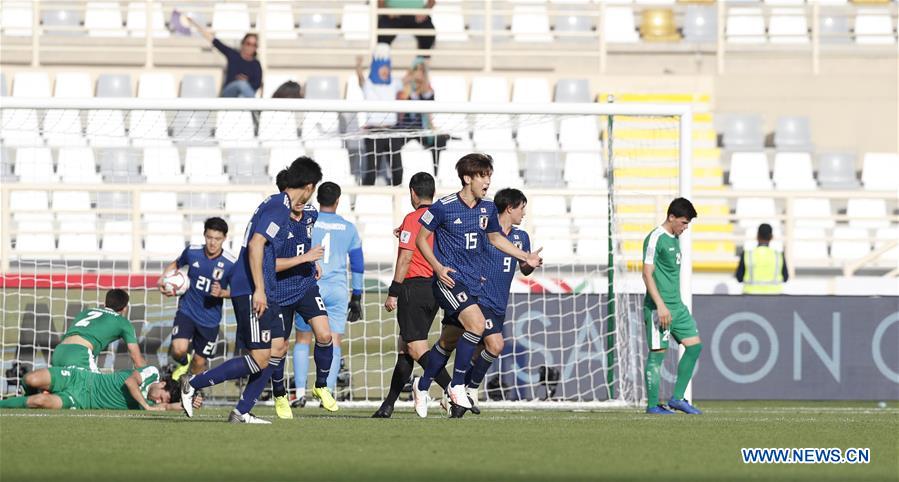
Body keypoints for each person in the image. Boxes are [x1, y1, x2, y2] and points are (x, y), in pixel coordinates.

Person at [180, 157, 323, 424]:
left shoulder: (275, 203)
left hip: (262, 287)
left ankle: (242, 411)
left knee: (278, 349)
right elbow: (257, 245)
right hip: (250, 287)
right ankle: (194, 383)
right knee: (259, 358)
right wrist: (259, 289)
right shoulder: (280, 207)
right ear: (309, 186)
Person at [411, 153, 542, 416]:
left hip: (473, 284)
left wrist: (524, 256)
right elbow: (421, 240)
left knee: (448, 341)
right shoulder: (444, 206)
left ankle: (422, 385)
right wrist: (437, 267)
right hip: (449, 280)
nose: (487, 181)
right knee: (478, 326)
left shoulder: (488, 208)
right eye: (483, 176)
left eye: (489, 176)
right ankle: (458, 386)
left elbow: (495, 238)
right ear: (467, 178)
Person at [437, 188, 535, 417]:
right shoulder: (485, 232)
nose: (524, 213)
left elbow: (525, 269)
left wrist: (531, 262)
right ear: (509, 208)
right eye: (522, 208)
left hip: (500, 303)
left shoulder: (521, 237)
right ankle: (467, 389)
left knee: (473, 351)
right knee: (495, 345)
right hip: (479, 299)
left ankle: (452, 395)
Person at [373, 172, 452, 418]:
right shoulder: (439, 218)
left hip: (413, 288)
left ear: (412, 193)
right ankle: (388, 404)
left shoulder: (412, 218)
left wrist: (393, 292)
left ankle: (455, 392)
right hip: (435, 288)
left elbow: (406, 257)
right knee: (405, 348)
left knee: (416, 348)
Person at [268, 174, 338, 418]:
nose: (300, 198)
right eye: (292, 193)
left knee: (325, 334)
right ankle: (279, 395)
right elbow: (270, 265)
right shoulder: (274, 223)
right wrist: (305, 258)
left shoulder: (311, 214)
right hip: (278, 291)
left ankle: (320, 386)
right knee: (278, 348)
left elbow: (303, 240)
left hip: (305, 285)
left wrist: (310, 262)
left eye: (302, 191)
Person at [293, 182, 364, 408]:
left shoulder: (309, 221)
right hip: (337, 289)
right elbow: (358, 263)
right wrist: (358, 295)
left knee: (303, 339)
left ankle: (300, 393)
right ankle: (327, 393)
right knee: (333, 341)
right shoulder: (348, 227)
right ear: (338, 201)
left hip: (310, 285)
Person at [641, 198, 703, 415]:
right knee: (658, 354)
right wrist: (660, 305)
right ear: (672, 217)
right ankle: (652, 406)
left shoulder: (675, 238)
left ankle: (677, 398)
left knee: (694, 346)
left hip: (677, 306)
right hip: (659, 308)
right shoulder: (655, 238)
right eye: (684, 223)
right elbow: (647, 273)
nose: (685, 228)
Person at [158, 217, 237, 382]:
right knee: (178, 350)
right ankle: (181, 366)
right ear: (204, 235)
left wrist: (223, 293)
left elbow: (240, 291)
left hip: (210, 320)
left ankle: (191, 389)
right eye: (209, 237)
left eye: (217, 239)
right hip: (187, 310)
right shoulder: (192, 252)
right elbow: (175, 264)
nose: (213, 243)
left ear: (224, 238)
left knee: (199, 362)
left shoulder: (230, 264)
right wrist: (164, 279)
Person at [0, 366, 199, 412]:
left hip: (80, 400)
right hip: (81, 377)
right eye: (161, 398)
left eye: (161, 403)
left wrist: (191, 401)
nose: (157, 402)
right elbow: (131, 382)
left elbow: (170, 407)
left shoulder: (155, 403)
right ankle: (23, 393)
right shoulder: (152, 373)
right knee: (31, 378)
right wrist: (146, 407)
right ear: (162, 384)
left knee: (39, 402)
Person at [51, 289, 144, 372]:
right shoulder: (123, 323)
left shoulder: (86, 312)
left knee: (58, 390)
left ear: (105, 304)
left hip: (59, 351)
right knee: (100, 389)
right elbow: (138, 362)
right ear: (125, 308)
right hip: (80, 354)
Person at [356, 44, 405, 186]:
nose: (385, 72)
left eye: (387, 69)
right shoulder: (369, 84)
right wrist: (358, 66)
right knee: (372, 170)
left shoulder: (394, 83)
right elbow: (360, 80)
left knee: (397, 169)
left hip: (391, 131)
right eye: (382, 69)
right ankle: (364, 196)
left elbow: (410, 81)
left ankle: (397, 197)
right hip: (374, 131)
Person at [185, 14, 262, 98]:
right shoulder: (233, 55)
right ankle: (256, 109)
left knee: (242, 95)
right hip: (229, 92)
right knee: (241, 85)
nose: (250, 47)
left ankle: (252, 108)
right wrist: (195, 24)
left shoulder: (256, 64)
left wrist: (247, 81)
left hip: (245, 94)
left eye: (254, 45)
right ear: (242, 44)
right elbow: (214, 41)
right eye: (248, 44)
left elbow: (257, 84)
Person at [396, 56, 448, 170]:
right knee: (393, 142)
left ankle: (435, 173)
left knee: (440, 140)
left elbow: (428, 114)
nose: (419, 73)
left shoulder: (428, 90)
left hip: (421, 127)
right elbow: (401, 111)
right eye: (417, 69)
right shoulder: (405, 87)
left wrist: (432, 127)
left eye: (422, 70)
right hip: (406, 126)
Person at [736, 223, 789, 294]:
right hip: (775, 296)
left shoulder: (747, 254)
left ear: (757, 236)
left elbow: (739, 278)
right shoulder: (778, 255)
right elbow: (785, 278)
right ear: (771, 237)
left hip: (750, 296)